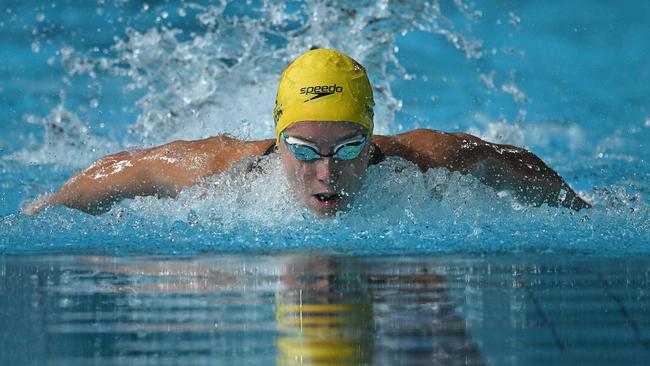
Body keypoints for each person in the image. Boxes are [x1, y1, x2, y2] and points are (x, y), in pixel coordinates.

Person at [26, 48, 590, 217]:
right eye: (303, 150)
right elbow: (131, 168)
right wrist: (41, 209)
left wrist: (580, 211)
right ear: (279, 141)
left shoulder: (420, 158)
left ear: (370, 141)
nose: (326, 172)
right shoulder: (228, 169)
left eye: (348, 149)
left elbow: (508, 161)